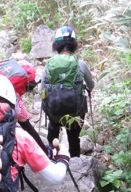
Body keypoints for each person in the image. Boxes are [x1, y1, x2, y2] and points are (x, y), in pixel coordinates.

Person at [40, 25, 94, 158]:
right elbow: (91, 86)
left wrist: (47, 101)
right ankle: (75, 162)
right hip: (75, 111)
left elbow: (41, 89)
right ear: (73, 44)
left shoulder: (50, 64)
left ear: (56, 44)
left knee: (53, 132)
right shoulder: (80, 63)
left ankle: (52, 157)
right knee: (74, 138)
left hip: (54, 110)